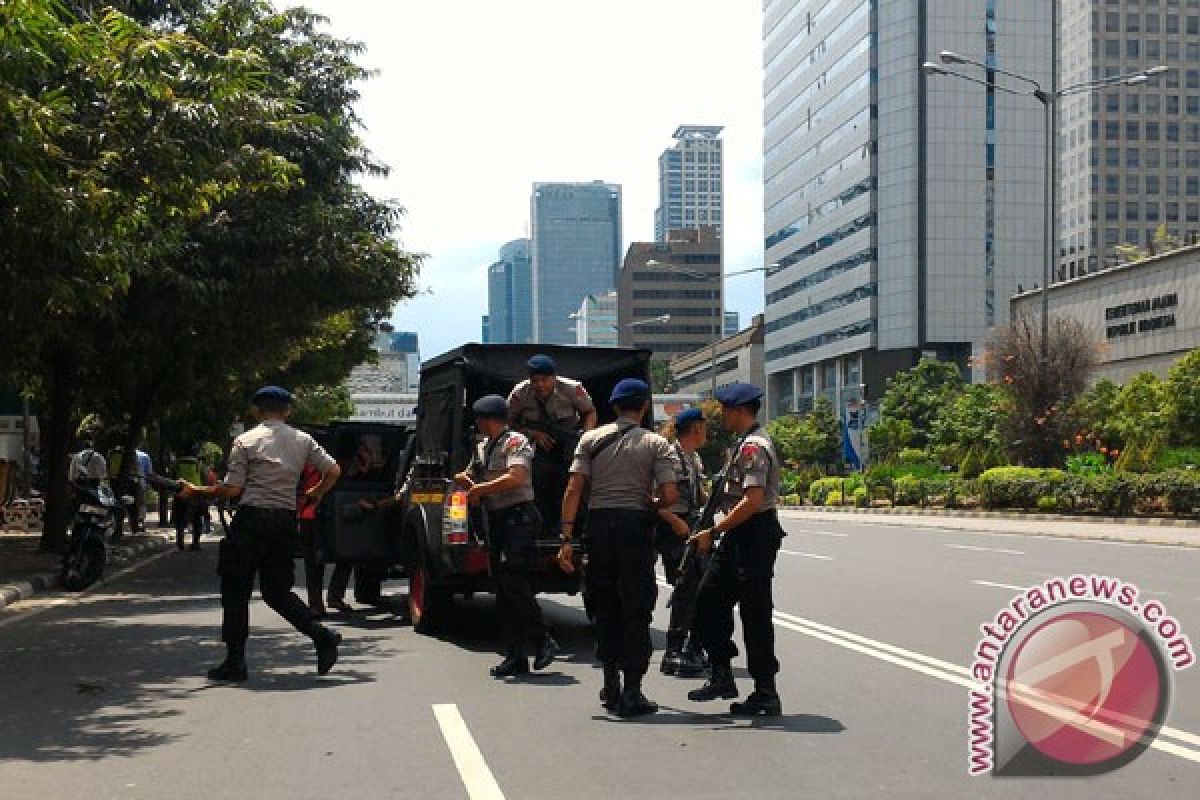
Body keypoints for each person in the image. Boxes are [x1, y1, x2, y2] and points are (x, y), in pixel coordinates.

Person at [180, 385, 344, 682]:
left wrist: (198, 491)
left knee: (235, 589)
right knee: (277, 592)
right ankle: (321, 634)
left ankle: (235, 660)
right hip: (284, 522)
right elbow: (333, 471)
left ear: (256, 410)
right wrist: (316, 493)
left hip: (251, 521)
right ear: (288, 411)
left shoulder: (245, 441)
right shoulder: (303, 440)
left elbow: (233, 489)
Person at [558, 378, 680, 717]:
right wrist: (652, 501)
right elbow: (670, 495)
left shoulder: (589, 439)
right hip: (635, 529)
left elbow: (573, 490)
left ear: (613, 407)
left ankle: (609, 684)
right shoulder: (656, 443)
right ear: (643, 407)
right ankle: (632, 692)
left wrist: (567, 537)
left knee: (604, 605)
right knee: (636, 608)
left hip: (598, 528)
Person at [687, 383, 786, 717]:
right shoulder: (741, 444)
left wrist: (714, 530)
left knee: (755, 613)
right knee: (707, 599)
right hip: (739, 534)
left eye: (726, 411)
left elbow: (753, 500)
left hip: (753, 534)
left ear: (740, 410)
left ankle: (765, 691)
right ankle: (722, 673)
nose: (723, 417)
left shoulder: (753, 447)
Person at [454, 394, 557, 678]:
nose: (477, 424)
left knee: (515, 580)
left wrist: (480, 490)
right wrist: (466, 481)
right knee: (502, 588)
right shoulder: (482, 446)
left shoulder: (515, 442)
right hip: (497, 519)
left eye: (479, 419)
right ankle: (515, 654)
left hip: (519, 518)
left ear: (489, 419)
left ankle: (542, 637)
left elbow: (517, 476)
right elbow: (471, 474)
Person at [508, 354, 597, 536]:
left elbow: (590, 412)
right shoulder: (520, 393)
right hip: (538, 445)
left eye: (545, 380)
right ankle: (544, 529)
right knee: (539, 484)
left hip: (569, 442)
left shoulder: (572, 388)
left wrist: (585, 438)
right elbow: (508, 423)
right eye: (535, 380)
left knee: (572, 484)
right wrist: (532, 433)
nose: (540, 385)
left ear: (554, 377)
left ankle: (574, 529)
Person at [655, 407, 708, 678]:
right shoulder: (670, 457)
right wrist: (675, 522)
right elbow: (653, 499)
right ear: (695, 429)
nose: (706, 433)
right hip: (671, 527)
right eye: (704, 427)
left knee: (697, 588)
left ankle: (692, 647)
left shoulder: (693, 458)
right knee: (685, 587)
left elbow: (698, 497)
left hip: (690, 526)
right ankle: (673, 651)